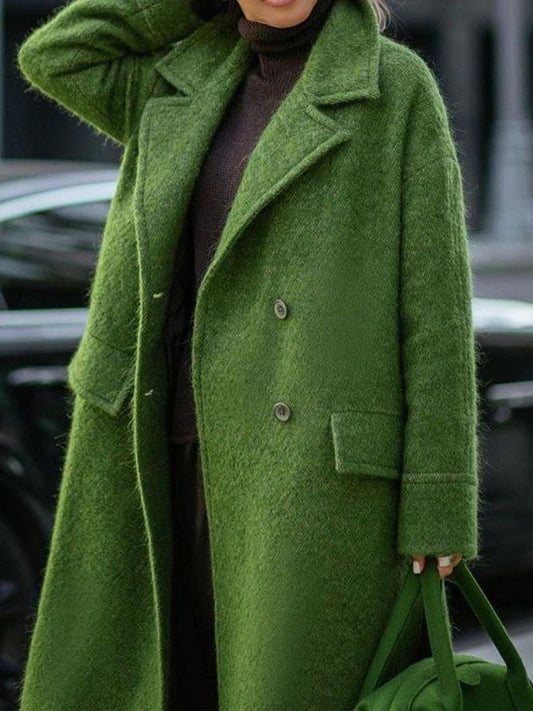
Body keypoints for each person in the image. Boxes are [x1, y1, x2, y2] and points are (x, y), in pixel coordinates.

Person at [16, 0, 480, 708]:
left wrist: (439, 499)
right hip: (157, 450)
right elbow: (56, 54)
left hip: (307, 477)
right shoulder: (184, 76)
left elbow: (435, 309)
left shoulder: (392, 87)